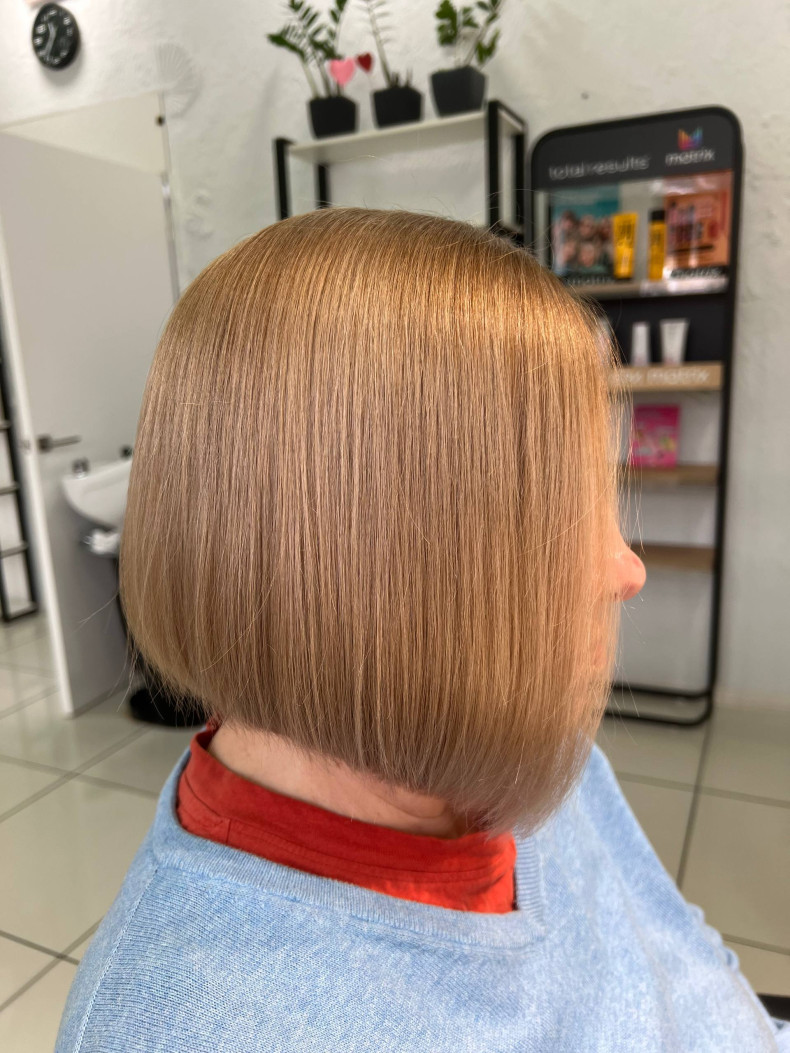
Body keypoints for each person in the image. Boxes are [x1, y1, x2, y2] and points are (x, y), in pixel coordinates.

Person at [55, 209, 787, 1051]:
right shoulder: (180, 1027)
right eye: (561, 507)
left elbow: (678, 953)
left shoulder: (524, 747)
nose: (626, 568)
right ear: (387, 560)